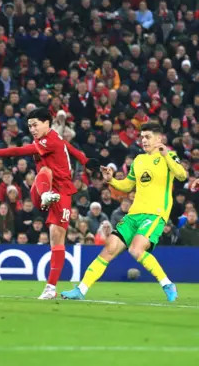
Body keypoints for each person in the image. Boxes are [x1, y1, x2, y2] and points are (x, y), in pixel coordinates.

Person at [62, 123, 186, 302]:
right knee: (108, 249)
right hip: (134, 214)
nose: (144, 140)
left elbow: (181, 175)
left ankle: (167, 283)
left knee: (136, 250)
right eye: (142, 137)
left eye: (148, 137)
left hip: (155, 214)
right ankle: (80, 290)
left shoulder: (170, 156)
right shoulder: (139, 160)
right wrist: (111, 180)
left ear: (159, 139)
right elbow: (127, 185)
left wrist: (166, 154)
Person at [0, 107, 97, 299]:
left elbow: (19, 150)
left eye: (35, 125)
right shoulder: (51, 139)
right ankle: (45, 195)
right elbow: (71, 148)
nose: (32, 129)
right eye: (29, 126)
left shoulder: (50, 140)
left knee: (56, 237)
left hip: (62, 193)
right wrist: (85, 160)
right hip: (44, 190)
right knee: (45, 172)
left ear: (47, 123)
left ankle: (50, 288)